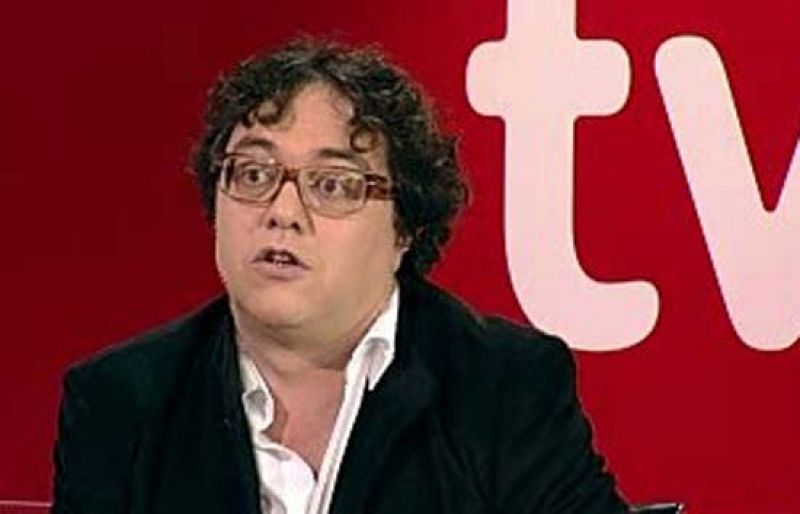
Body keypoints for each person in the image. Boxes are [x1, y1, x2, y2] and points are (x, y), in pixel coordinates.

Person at [52, 37, 630, 514]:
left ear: (404, 228)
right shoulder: (122, 400)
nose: (282, 211)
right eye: (252, 174)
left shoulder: (501, 385)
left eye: (332, 184)